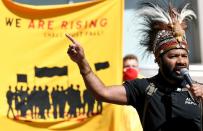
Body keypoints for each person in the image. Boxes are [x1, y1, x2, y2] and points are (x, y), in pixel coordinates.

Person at [66, 2, 203, 131]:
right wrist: (82, 62)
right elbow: (102, 92)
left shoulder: (199, 91)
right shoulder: (145, 88)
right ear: (158, 60)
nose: (181, 61)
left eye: (184, 56)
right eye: (173, 56)